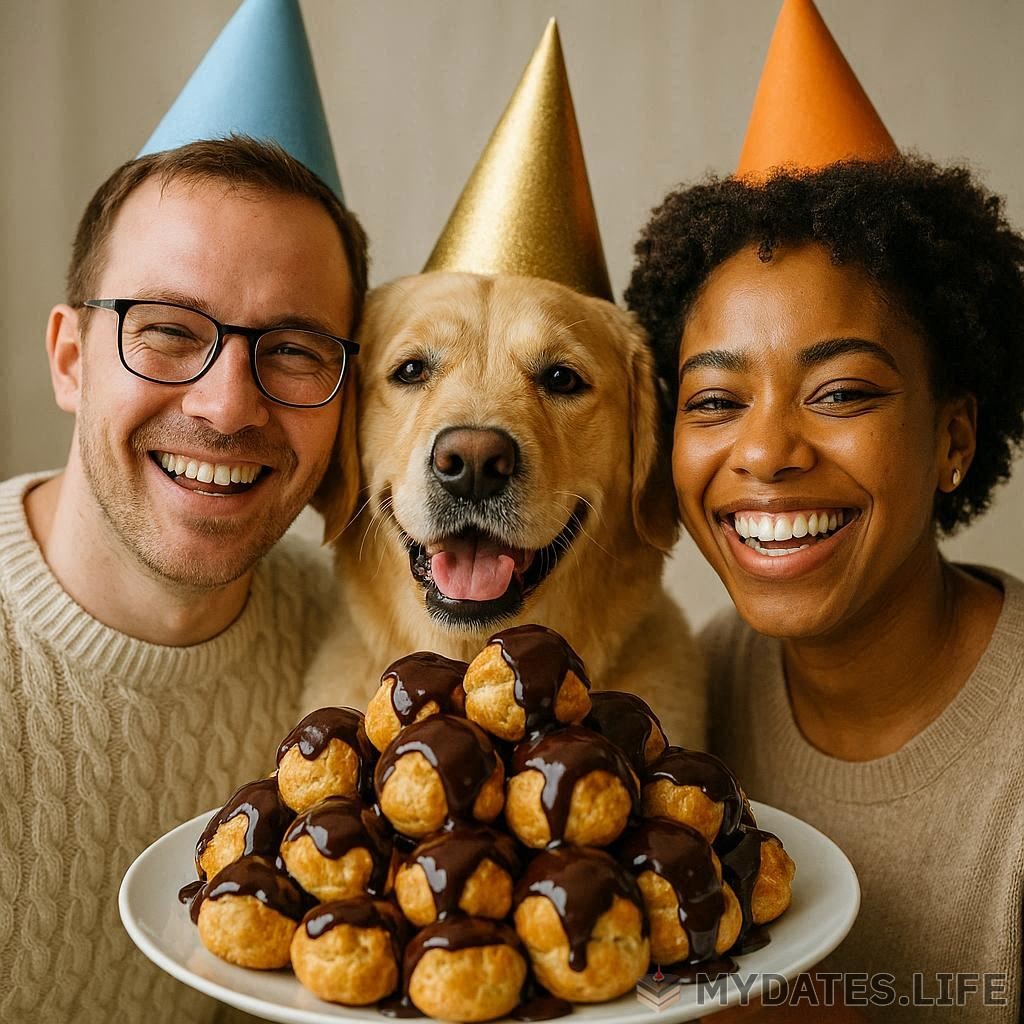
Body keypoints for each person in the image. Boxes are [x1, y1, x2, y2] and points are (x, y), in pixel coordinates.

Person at [626, 2, 1024, 1020]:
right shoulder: (689, 690)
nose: (762, 452)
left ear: (952, 440)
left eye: (841, 392)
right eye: (713, 401)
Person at [0, 2, 367, 1019]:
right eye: (167, 330)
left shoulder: (356, 657)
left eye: (293, 350)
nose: (226, 404)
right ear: (71, 357)